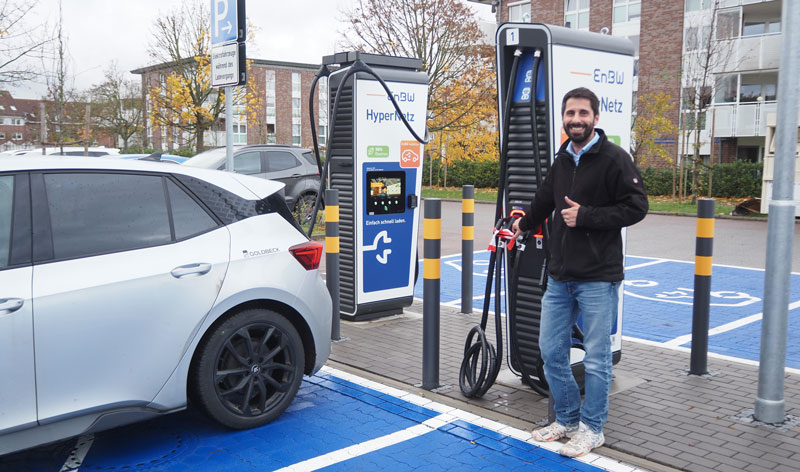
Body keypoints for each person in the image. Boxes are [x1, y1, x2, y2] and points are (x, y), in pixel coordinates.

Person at [511, 87, 648, 457]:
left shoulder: (614, 159)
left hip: (598, 277)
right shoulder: (562, 160)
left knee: (597, 357)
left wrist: (585, 215)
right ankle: (567, 419)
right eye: (570, 114)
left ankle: (592, 428)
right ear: (564, 118)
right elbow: (544, 199)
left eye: (583, 114)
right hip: (560, 275)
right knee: (550, 351)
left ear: (595, 118)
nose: (576, 120)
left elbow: (637, 207)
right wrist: (522, 225)